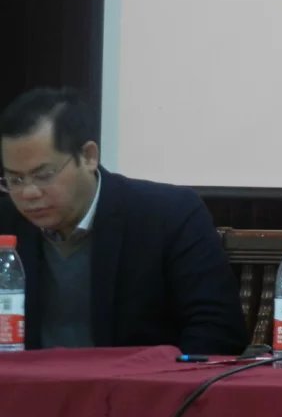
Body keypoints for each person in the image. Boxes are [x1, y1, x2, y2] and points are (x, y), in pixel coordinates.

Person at [0, 87, 247, 354]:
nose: (28, 193)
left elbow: (218, 332)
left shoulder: (167, 215)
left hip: (140, 380)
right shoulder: (6, 220)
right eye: (15, 179)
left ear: (89, 156)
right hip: (25, 380)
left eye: (44, 175)